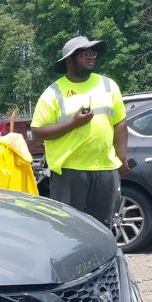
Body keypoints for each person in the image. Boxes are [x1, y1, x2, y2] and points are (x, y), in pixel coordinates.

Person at [30, 36, 128, 227]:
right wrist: (73, 123)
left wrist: (122, 157)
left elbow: (120, 122)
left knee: (103, 228)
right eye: (84, 54)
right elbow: (37, 131)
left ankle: (101, 258)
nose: (91, 57)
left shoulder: (108, 85)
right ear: (69, 60)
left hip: (105, 169)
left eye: (93, 53)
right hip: (69, 171)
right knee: (69, 229)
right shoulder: (53, 92)